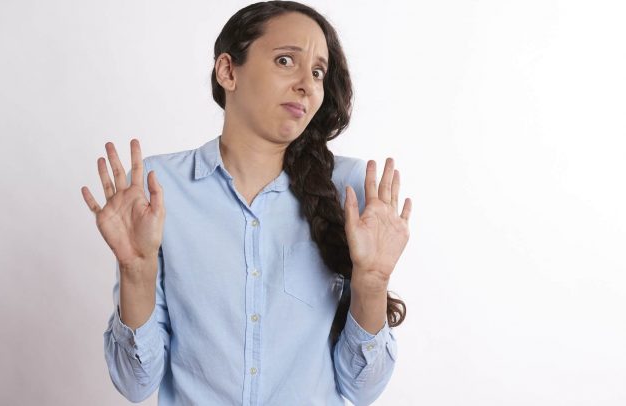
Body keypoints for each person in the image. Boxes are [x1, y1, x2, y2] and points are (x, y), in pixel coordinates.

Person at [80, 1, 412, 404]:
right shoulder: (157, 191)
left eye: (318, 71)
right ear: (227, 71)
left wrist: (372, 283)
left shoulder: (351, 193)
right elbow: (135, 383)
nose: (307, 83)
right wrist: (136, 270)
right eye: (286, 60)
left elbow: (362, 388)